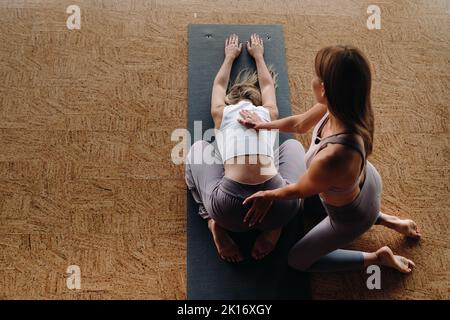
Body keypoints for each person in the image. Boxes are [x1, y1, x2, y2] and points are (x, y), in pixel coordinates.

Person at [240, 45, 421, 273]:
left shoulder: (333, 157)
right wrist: (263, 124)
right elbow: (299, 124)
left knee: (297, 260)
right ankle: (385, 219)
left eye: (316, 75)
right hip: (362, 184)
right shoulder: (345, 106)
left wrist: (267, 196)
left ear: (325, 88)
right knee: (308, 206)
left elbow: (299, 191)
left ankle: (377, 257)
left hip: (348, 216)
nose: (313, 79)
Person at [185, 33, 306, 262]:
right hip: (279, 205)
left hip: (227, 212)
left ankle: (213, 224)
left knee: (199, 148)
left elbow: (219, 84)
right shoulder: (268, 114)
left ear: (232, 99)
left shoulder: (221, 112)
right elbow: (269, 84)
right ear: (257, 101)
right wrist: (258, 56)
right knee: (292, 145)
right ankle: (275, 228)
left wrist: (229, 57)